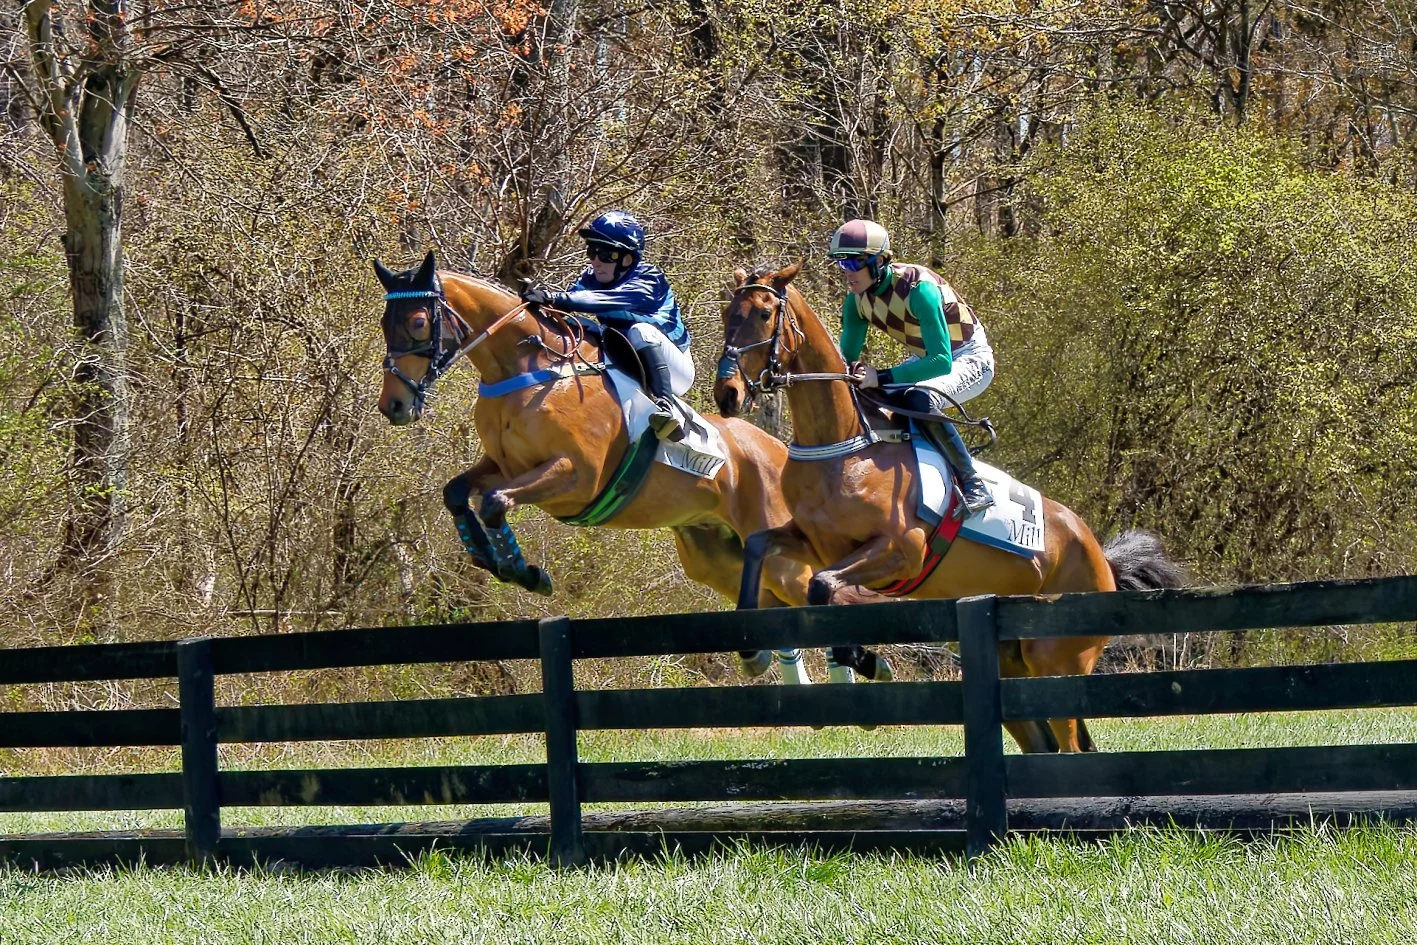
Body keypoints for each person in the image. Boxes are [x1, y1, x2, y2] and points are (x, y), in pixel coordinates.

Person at [827, 218, 996, 518]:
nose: (847, 274)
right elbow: (848, 356)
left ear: (878, 262)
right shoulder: (856, 301)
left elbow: (942, 362)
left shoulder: (920, 290)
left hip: (969, 357)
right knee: (861, 392)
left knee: (920, 399)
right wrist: (854, 371)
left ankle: (974, 485)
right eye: (842, 265)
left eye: (853, 264)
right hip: (926, 358)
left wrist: (880, 376)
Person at [521, 211, 693, 441]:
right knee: (579, 328)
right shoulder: (590, 277)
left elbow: (597, 300)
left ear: (628, 259)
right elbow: (565, 309)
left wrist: (554, 297)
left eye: (606, 254)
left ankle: (666, 409)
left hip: (676, 369)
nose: (596, 261)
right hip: (627, 354)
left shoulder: (649, 279)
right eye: (592, 251)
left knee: (640, 330)